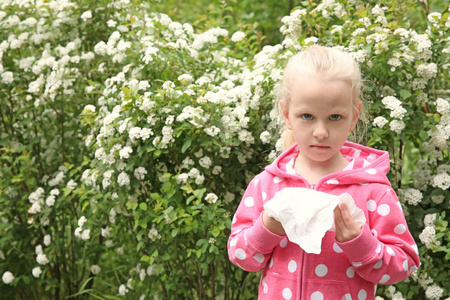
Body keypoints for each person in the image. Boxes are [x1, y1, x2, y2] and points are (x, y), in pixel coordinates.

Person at [227, 45, 420, 300]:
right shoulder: (268, 184)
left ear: (354, 117)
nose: (321, 132)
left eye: (335, 117)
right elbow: (241, 256)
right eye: (307, 116)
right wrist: (268, 227)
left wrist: (361, 244)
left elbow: (403, 264)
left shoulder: (374, 190)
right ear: (287, 114)